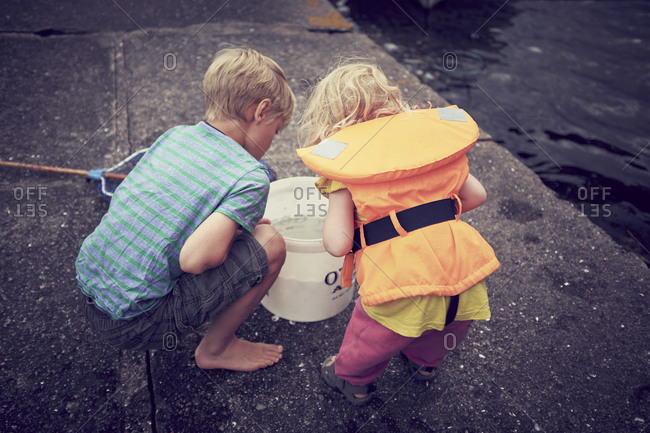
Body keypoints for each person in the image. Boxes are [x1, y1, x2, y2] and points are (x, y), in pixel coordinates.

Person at [76, 47, 295, 371]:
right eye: (276, 130)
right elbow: (195, 260)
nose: (272, 141)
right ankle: (217, 349)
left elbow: (173, 207)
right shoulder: (250, 175)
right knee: (270, 243)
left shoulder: (175, 137)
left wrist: (236, 225)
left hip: (86, 291)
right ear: (260, 111)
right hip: (136, 323)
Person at [296, 63, 500, 405]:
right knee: (445, 325)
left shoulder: (347, 170)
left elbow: (337, 243)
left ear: (333, 123)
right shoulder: (433, 152)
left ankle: (352, 380)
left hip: (399, 282)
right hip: (465, 271)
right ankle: (424, 365)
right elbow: (476, 196)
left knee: (372, 337)